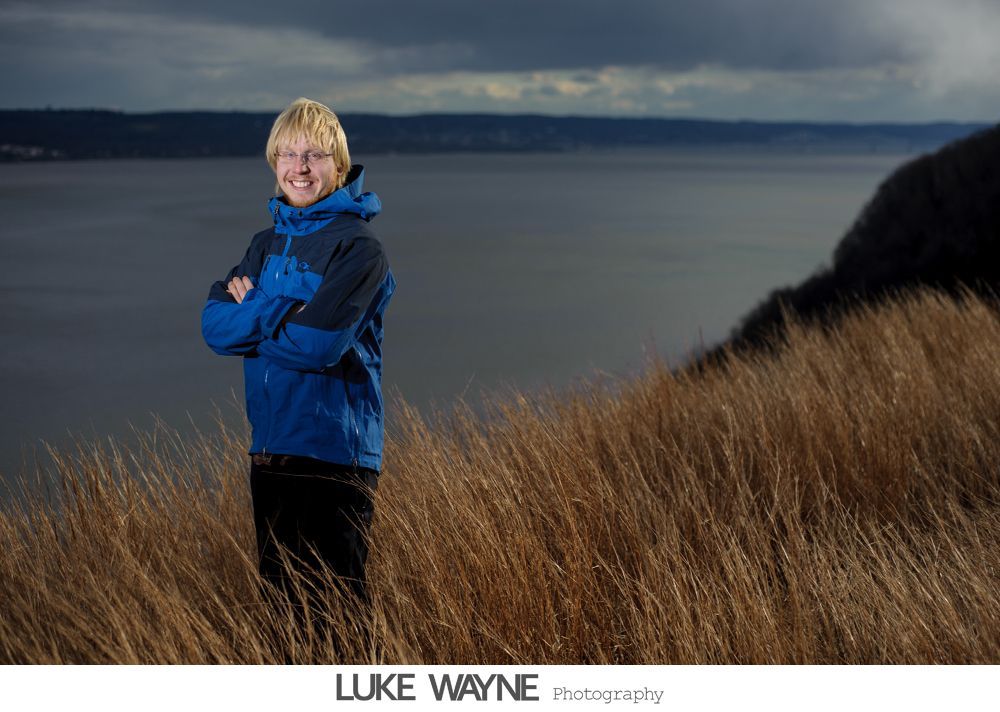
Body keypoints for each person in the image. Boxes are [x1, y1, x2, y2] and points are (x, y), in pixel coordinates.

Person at [201, 97, 395, 642]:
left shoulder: (358, 249)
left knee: (338, 620)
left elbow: (318, 346)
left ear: (338, 163)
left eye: (313, 155)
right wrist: (277, 310)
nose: (300, 168)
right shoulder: (263, 246)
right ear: (273, 163)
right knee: (285, 619)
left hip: (335, 454)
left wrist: (256, 312)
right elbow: (215, 327)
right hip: (270, 448)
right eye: (287, 154)